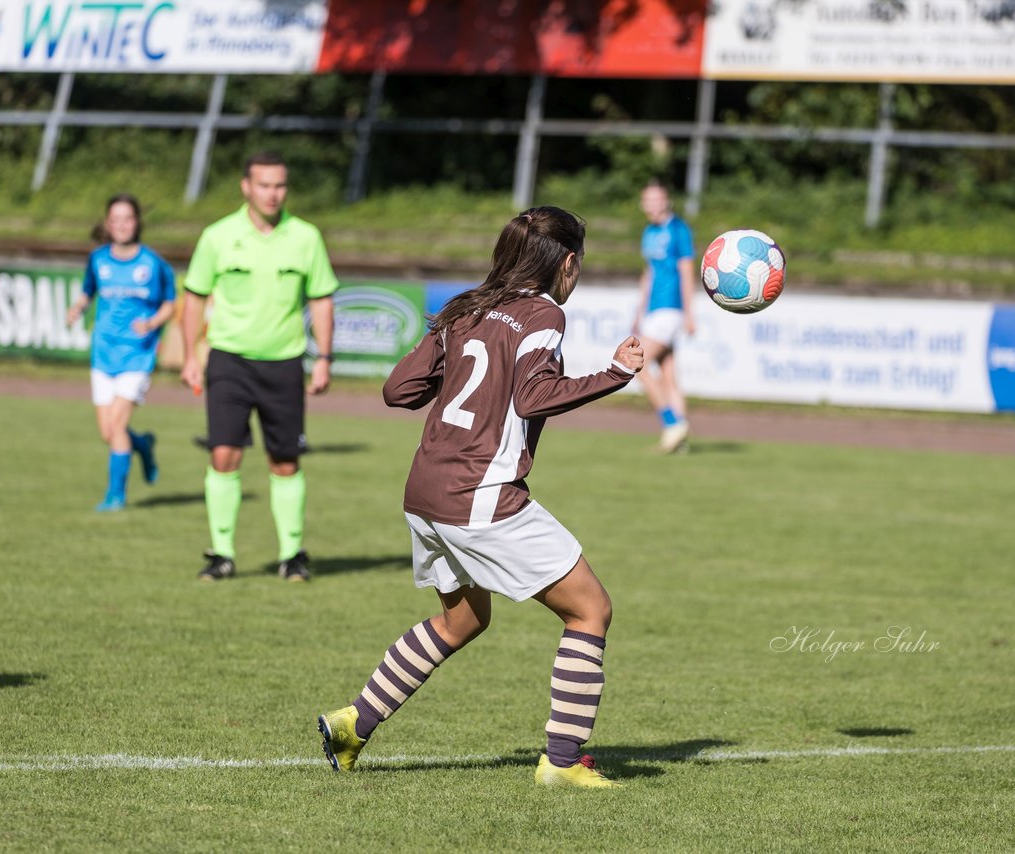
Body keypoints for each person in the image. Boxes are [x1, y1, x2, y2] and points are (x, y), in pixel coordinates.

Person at [316, 206, 645, 788]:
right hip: (480, 493)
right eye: (579, 263)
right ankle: (563, 763)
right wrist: (615, 373)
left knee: (461, 622)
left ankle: (352, 724)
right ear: (566, 263)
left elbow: (399, 390)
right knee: (591, 609)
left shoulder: (466, 307)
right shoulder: (544, 313)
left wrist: (454, 360)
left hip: (425, 493)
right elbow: (534, 396)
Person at [180, 152, 339, 581]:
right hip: (229, 360)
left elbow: (321, 298)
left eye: (280, 185)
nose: (273, 193)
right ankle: (221, 554)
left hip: (285, 363)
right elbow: (194, 296)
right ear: (246, 186)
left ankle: (292, 555)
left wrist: (323, 357)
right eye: (264, 185)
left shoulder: (305, 237)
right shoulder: (217, 236)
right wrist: (192, 354)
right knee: (224, 454)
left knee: (285, 461)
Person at [66, 193, 175, 512]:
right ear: (107, 224)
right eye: (116, 219)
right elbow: (88, 291)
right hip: (103, 354)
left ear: (137, 222)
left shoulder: (153, 263)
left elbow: (171, 302)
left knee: (115, 428)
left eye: (128, 218)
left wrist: (153, 321)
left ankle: (116, 496)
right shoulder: (98, 259)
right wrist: (76, 309)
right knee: (107, 432)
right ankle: (142, 445)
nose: (122, 225)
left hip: (138, 356)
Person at [634, 179, 697, 453]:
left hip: (670, 309)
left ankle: (671, 423)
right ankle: (679, 440)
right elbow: (649, 272)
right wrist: (639, 311)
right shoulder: (648, 232)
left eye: (657, 199)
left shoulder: (679, 229)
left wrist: (689, 313)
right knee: (669, 374)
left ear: (667, 201)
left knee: (640, 365)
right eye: (648, 200)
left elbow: (686, 271)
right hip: (653, 310)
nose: (653, 204)